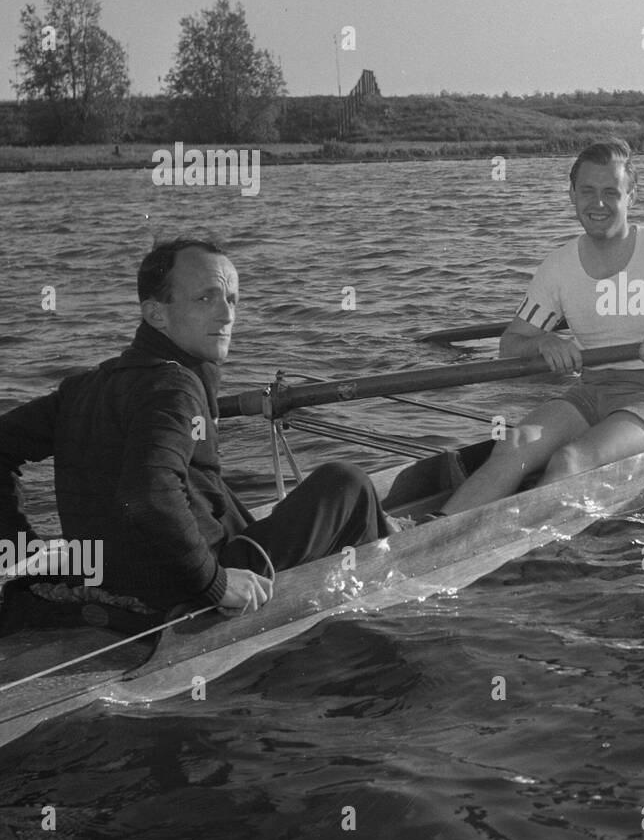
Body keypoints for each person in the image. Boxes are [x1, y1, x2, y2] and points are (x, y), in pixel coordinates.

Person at [0, 238, 393, 625]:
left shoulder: (83, 387)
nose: (227, 315)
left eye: (233, 299)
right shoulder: (175, 386)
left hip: (100, 576)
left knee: (213, 489)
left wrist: (24, 550)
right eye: (205, 299)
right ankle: (392, 576)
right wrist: (215, 584)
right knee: (348, 482)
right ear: (156, 314)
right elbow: (147, 494)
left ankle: (387, 529)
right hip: (182, 591)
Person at [440, 139, 644, 514]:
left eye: (611, 192)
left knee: (570, 461)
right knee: (516, 444)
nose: (598, 203)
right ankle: (427, 531)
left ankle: (511, 541)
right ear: (572, 195)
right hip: (592, 389)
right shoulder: (557, 266)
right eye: (588, 191)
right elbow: (511, 344)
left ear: (631, 197)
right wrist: (544, 341)